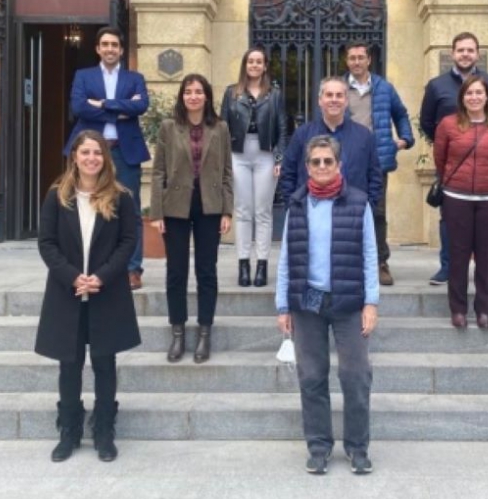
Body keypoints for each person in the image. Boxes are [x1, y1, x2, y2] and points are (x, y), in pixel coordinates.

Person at [276, 135, 379, 475]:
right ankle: (319, 446)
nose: (322, 167)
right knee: (312, 376)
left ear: (338, 165)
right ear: (307, 167)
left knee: (356, 375)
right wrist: (282, 305)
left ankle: (357, 447)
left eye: (328, 161)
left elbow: (369, 255)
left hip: (349, 302)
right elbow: (286, 258)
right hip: (307, 303)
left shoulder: (358, 202)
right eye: (316, 162)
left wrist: (371, 303)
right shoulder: (297, 203)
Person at [36, 129, 141, 463]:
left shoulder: (121, 196)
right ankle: (69, 430)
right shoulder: (57, 195)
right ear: (75, 157)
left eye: (97, 153)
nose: (92, 158)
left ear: (105, 158)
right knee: (69, 365)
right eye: (86, 153)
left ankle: (104, 431)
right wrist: (72, 277)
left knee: (104, 363)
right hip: (67, 291)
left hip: (105, 291)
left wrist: (101, 277)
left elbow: (128, 242)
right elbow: (46, 243)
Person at [149, 74, 233, 364]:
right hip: (175, 206)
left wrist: (227, 210)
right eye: (188, 92)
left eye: (199, 91)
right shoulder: (169, 128)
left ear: (207, 96)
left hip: (209, 205)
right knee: (176, 272)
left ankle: (205, 332)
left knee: (206, 271)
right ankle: (178, 332)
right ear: (182, 96)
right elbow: (158, 171)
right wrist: (156, 212)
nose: (194, 96)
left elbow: (226, 172)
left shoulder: (219, 128)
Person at [64, 26, 150, 290]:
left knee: (131, 211)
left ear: (121, 50)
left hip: (124, 151)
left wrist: (101, 104)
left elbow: (141, 106)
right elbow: (79, 107)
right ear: (98, 49)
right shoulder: (84, 76)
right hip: (91, 151)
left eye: (115, 45)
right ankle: (88, 266)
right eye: (105, 44)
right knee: (84, 206)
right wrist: (120, 109)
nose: (110, 49)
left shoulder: (134, 78)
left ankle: (133, 269)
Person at [420, 31, 488, 285]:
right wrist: (447, 147)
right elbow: (427, 123)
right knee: (450, 217)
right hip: (451, 164)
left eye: (470, 50)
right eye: (461, 50)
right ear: (453, 53)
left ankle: (487, 269)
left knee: (487, 219)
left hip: (486, 165)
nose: (466, 54)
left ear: (478, 54)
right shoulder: (437, 86)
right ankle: (447, 266)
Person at [434, 76, 488, 329]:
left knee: (486, 255)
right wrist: (455, 180)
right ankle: (458, 309)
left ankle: (484, 309)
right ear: (462, 98)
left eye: (479, 93)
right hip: (456, 198)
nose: (474, 97)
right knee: (457, 254)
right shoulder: (448, 125)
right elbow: (440, 159)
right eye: (469, 93)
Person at [344, 42, 415, 286]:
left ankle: (380, 262)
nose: (356, 62)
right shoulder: (339, 89)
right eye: (352, 58)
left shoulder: (384, 88)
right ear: (347, 61)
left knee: (377, 212)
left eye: (360, 57)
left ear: (369, 60)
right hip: (346, 160)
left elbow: (401, 113)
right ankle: (350, 262)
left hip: (377, 160)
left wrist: (405, 138)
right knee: (347, 211)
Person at [220, 48, 288, 288]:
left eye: (259, 61)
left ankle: (261, 265)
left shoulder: (275, 94)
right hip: (238, 154)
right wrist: (223, 161)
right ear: (245, 64)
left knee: (263, 211)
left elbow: (282, 126)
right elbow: (223, 128)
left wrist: (279, 158)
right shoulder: (232, 93)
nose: (255, 65)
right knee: (242, 210)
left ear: (265, 66)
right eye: (251, 61)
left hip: (265, 154)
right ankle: (243, 265)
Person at [280, 76, 381, 209]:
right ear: (320, 100)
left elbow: (375, 176)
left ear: (346, 101)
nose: (334, 100)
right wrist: (294, 207)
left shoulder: (364, 136)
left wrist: (367, 207)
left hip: (352, 216)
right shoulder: (302, 135)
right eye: (329, 95)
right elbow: (288, 173)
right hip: (309, 212)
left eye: (339, 95)